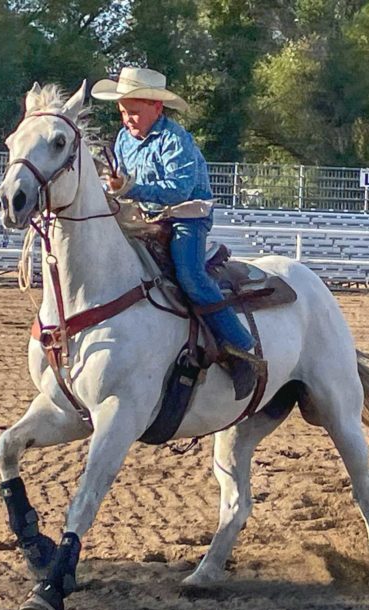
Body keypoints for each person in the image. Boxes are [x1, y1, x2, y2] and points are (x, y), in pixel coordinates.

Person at [91, 66, 262, 399]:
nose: (128, 119)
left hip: (188, 218)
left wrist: (129, 187)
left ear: (157, 108)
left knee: (190, 276)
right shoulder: (125, 139)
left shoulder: (175, 140)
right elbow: (125, 181)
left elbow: (180, 190)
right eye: (124, 112)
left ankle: (243, 349)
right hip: (145, 215)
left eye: (135, 112)